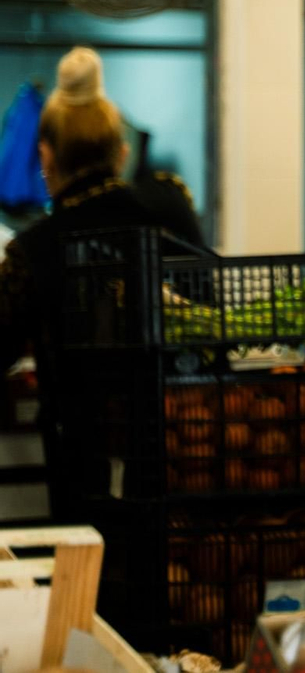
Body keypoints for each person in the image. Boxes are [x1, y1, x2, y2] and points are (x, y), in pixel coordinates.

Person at [0, 47, 202, 511]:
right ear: (120, 150)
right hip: (182, 446)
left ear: (45, 153)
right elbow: (207, 302)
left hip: (79, 456)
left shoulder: (33, 249)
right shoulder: (168, 209)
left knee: (89, 572)